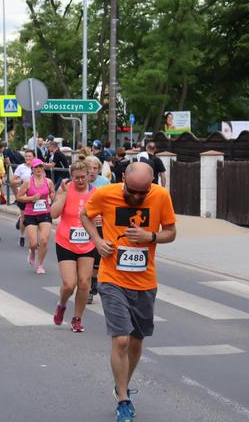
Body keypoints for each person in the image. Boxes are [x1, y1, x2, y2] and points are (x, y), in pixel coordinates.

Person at [80, 162, 176, 422]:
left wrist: (151, 237)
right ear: (122, 178)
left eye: (141, 193)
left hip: (145, 281)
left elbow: (171, 232)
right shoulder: (105, 194)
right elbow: (85, 215)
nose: (135, 198)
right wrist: (98, 241)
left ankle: (121, 383)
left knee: (136, 340)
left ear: (151, 185)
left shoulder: (160, 195)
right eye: (131, 191)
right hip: (112, 278)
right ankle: (123, 399)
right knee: (121, 339)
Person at [51, 159, 98, 332]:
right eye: (76, 177)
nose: (80, 181)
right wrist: (62, 196)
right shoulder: (65, 189)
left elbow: (103, 215)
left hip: (88, 242)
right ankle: (62, 304)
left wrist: (100, 219)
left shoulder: (96, 193)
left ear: (88, 176)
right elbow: (53, 214)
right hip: (66, 242)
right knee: (70, 284)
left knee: (85, 283)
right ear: (71, 176)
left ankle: (77, 318)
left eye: (83, 177)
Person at [17, 158, 55, 274]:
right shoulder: (28, 182)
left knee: (44, 240)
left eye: (40, 167)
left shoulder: (48, 181)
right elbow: (19, 197)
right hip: (31, 214)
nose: (39, 169)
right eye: (36, 167)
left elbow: (52, 192)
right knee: (33, 243)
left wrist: (52, 197)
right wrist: (32, 198)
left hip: (45, 213)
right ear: (32, 169)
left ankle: (40, 265)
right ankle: (32, 251)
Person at [85, 154, 111, 303]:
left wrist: (104, 215)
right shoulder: (80, 182)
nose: (92, 171)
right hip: (83, 225)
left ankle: (94, 279)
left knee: (97, 258)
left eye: (95, 168)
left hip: (100, 225)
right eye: (90, 168)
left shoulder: (105, 182)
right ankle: (88, 289)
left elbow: (110, 203)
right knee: (86, 258)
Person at [12, 149, 35, 247]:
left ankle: (34, 239)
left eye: (30, 156)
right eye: (26, 156)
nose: (28, 158)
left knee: (35, 218)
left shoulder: (37, 167)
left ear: (34, 157)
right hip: (24, 196)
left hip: (34, 196)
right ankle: (22, 236)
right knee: (25, 218)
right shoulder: (21, 167)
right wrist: (22, 181)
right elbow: (12, 181)